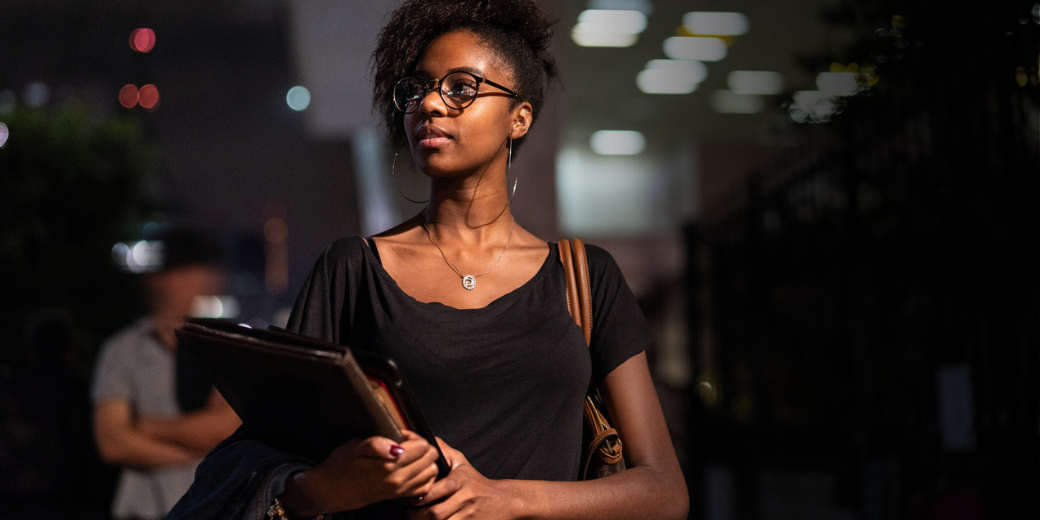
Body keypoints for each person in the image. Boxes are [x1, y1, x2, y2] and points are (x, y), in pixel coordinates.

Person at [169, 1, 688, 519]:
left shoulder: (585, 278)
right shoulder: (354, 270)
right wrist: (330, 488)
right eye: (416, 89)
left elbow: (665, 492)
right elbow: (274, 457)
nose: (429, 105)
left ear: (520, 116)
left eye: (461, 88)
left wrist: (508, 498)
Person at [91, 226, 242, 520]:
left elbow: (227, 429)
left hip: (212, 509)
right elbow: (112, 442)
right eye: (189, 273)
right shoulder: (124, 348)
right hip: (142, 510)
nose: (200, 283)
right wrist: (203, 456)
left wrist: (143, 427)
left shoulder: (227, 347)